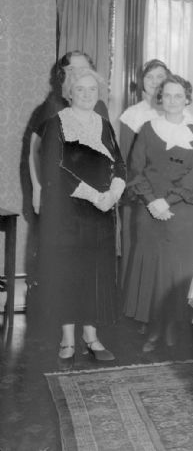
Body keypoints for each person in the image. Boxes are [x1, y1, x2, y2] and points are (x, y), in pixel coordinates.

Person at [37, 67, 126, 370]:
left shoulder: (104, 124)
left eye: (92, 90)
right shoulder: (55, 124)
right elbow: (54, 171)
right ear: (69, 93)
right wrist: (94, 195)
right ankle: (67, 339)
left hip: (101, 213)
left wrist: (113, 194)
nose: (87, 95)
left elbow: (120, 166)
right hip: (68, 212)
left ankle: (91, 336)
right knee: (69, 273)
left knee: (96, 274)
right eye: (80, 90)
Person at [123, 75, 193, 352]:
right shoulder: (148, 129)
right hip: (150, 211)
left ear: (187, 99)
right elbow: (136, 170)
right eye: (168, 95)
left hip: (182, 211)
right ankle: (154, 327)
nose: (173, 100)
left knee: (178, 270)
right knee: (153, 267)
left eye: (178, 95)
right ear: (160, 98)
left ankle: (173, 325)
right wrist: (151, 201)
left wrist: (167, 201)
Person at [30, 51, 109, 215]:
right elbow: (34, 151)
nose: (79, 73)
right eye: (73, 69)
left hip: (95, 191)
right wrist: (37, 189)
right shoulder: (52, 106)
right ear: (63, 72)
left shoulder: (99, 105)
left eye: (84, 68)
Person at [117, 59, 170, 298]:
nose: (156, 82)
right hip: (140, 195)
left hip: (170, 195)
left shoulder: (178, 112)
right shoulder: (132, 115)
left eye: (161, 77)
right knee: (138, 251)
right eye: (150, 77)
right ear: (142, 83)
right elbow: (128, 163)